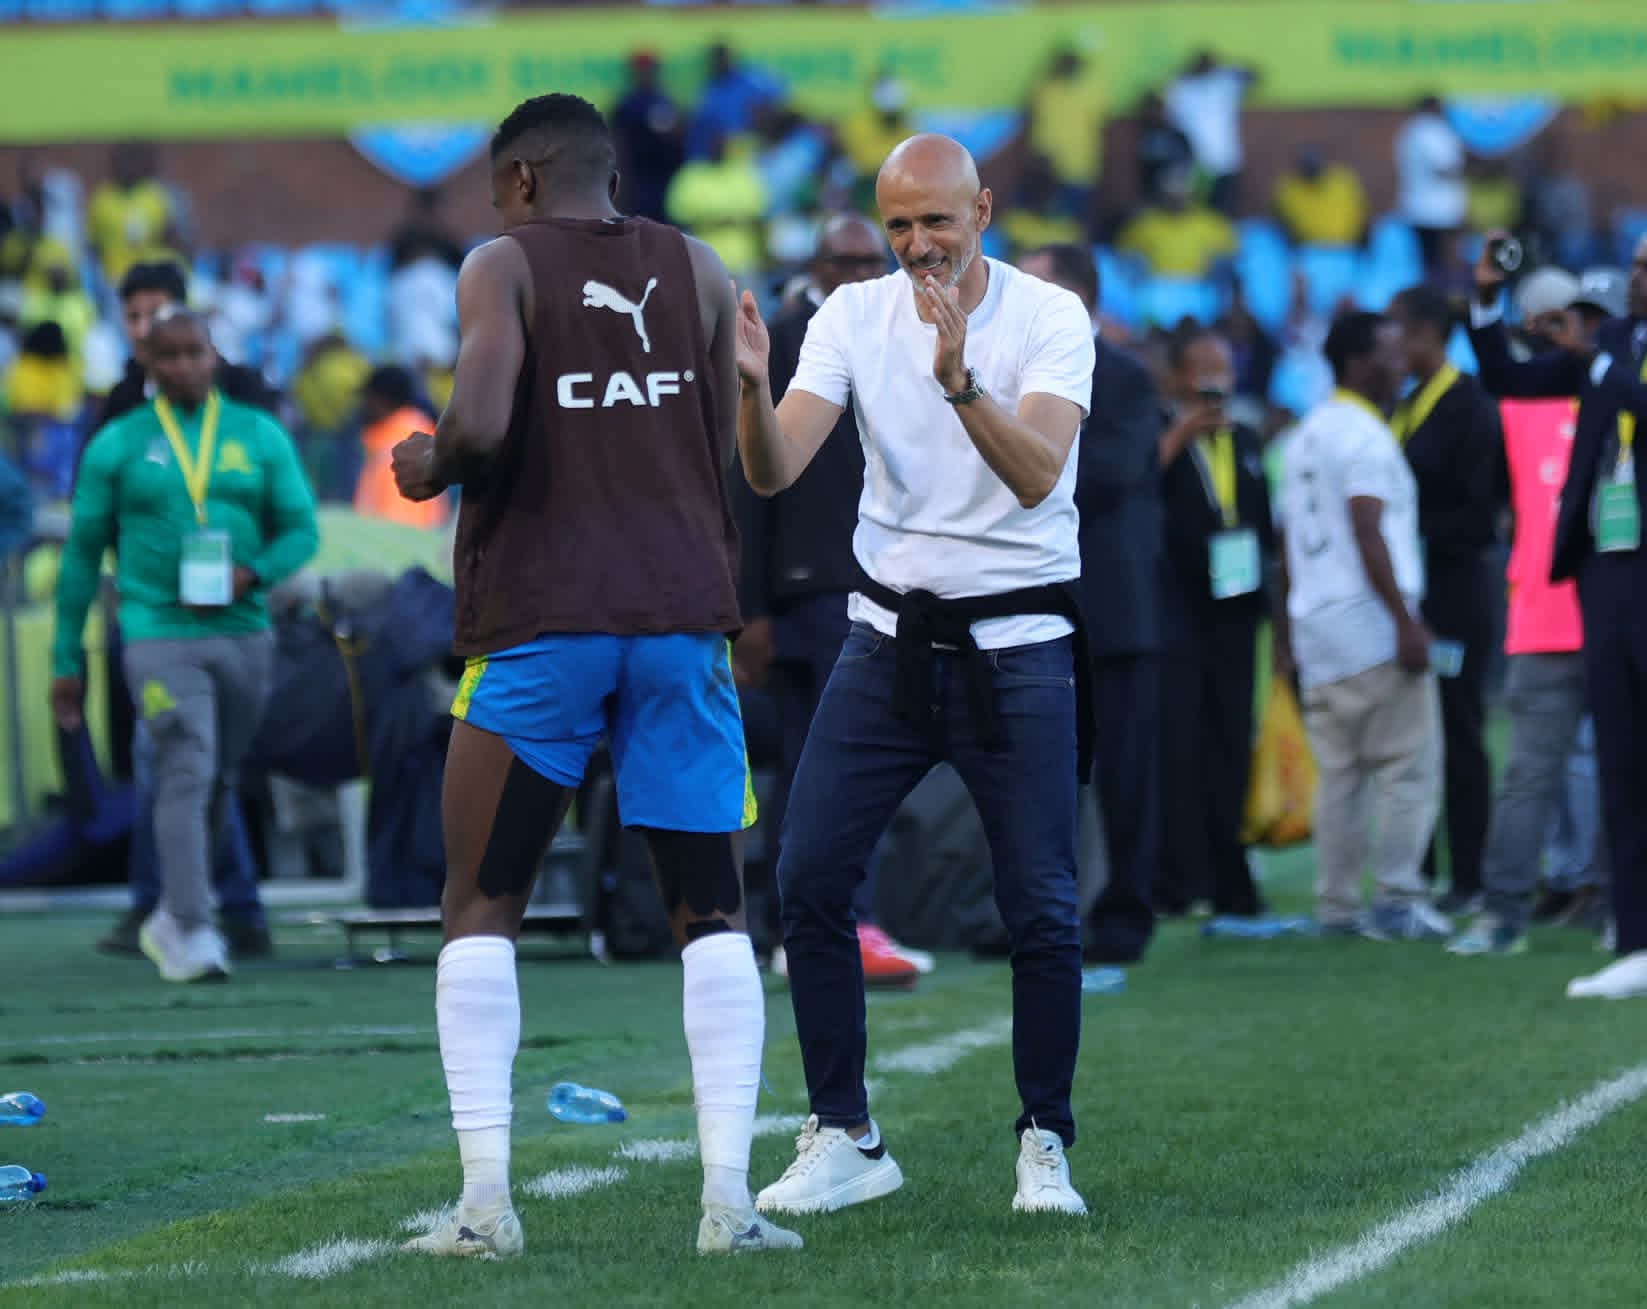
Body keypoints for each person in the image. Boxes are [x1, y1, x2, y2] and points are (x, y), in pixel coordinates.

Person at [389, 93, 801, 1258]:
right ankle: (731, 1203)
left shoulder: (501, 264)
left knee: (482, 905)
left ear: (520, 180)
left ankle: (484, 1210)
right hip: (680, 621)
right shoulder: (705, 268)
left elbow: (475, 419)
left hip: (541, 621)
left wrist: (430, 466)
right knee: (712, 911)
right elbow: (718, 448)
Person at [737, 134, 1095, 1217]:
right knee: (806, 878)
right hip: (884, 639)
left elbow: (1037, 478)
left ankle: (1045, 1141)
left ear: (983, 209)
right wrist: (752, 387)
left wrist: (961, 383)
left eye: (937, 221)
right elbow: (774, 467)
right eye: (899, 225)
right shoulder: (850, 316)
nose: (918, 245)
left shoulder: (1049, 317)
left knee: (1040, 904)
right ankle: (845, 1133)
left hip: (1019, 643)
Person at [50, 307, 318, 982]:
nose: (182, 366)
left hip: (244, 629)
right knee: (185, 763)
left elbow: (301, 530)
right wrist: (65, 658)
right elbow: (81, 556)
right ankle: (193, 926)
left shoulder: (257, 434)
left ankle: (175, 909)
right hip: (157, 632)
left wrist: (251, 572)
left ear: (214, 355)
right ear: (147, 364)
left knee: (221, 776)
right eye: (167, 356)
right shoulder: (117, 443)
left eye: (193, 352)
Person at [727, 214, 928, 985]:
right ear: (814, 261)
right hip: (808, 588)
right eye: (840, 260)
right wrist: (751, 609)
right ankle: (802, 923)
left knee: (860, 764)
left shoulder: (900, 329)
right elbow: (746, 477)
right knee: (819, 767)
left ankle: (848, 918)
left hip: (882, 579)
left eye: (863, 260)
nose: (852, 272)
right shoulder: (777, 338)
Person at [1466, 231, 1647, 998]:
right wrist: (1483, 298)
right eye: (1633, 267)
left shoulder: (1611, 357)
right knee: (1618, 758)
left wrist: (1602, 361)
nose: (1638, 278)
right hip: (1605, 568)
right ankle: (1633, 935)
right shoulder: (1607, 347)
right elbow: (1504, 371)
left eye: (1645, 269)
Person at [1273, 311, 1450, 941]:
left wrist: (1286, 637)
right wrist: (1405, 622)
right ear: (1355, 364)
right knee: (1409, 768)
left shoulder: (1305, 435)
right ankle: (1399, 899)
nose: (1400, 366)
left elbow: (1286, 542)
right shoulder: (1367, 437)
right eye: (1389, 354)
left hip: (1317, 626)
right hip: (1371, 625)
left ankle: (1338, 907)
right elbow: (1367, 524)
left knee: (1341, 775)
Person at [1449, 272, 1604, 956]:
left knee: (1568, 772)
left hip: (1599, 610)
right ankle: (1511, 906)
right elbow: (1495, 369)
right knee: (1534, 774)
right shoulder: (1522, 399)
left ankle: (1594, 901)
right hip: (1553, 611)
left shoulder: (1616, 395)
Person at [1017, 241, 1163, 961]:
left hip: (1112, 608)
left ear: (1073, 300)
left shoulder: (1127, 377)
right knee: (1031, 770)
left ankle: (1125, 913)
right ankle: (1034, 915)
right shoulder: (1011, 373)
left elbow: (1112, 470)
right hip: (1032, 602)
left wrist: (1023, 458)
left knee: (1124, 774)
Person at [1387, 284, 1503, 915]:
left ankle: (1471, 875)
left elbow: (1481, 514)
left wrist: (1407, 528)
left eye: (1398, 330)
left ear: (1428, 333)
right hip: (1418, 595)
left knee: (1458, 728)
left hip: (1457, 595)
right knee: (1415, 735)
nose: (1390, 344)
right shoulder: (1408, 404)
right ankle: (1421, 867)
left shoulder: (1469, 404)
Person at [1155, 323, 1276, 915]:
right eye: (1201, 367)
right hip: (1177, 614)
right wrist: (1180, 434)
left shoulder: (1248, 440)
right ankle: (1181, 877)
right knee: (1180, 744)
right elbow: (1134, 489)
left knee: (1232, 742)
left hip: (1237, 612)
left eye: (1222, 367)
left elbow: (1267, 529)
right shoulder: (1159, 433)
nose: (1213, 381)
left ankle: (1231, 874)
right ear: (1176, 377)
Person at [99, 261, 278, 429]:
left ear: (183, 315)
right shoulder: (121, 401)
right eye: (133, 317)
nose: (142, 330)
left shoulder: (241, 389)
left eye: (155, 314)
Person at [354, 365, 446, 530]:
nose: (361, 406)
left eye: (366, 398)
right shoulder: (412, 436)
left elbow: (398, 526)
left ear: (379, 400)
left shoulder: (397, 450)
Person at [1395, 96, 1466, 282]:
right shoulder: (1427, 131)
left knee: (1427, 264)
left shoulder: (1410, 131)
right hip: (1437, 213)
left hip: (1420, 209)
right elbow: (1444, 169)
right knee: (1439, 265)